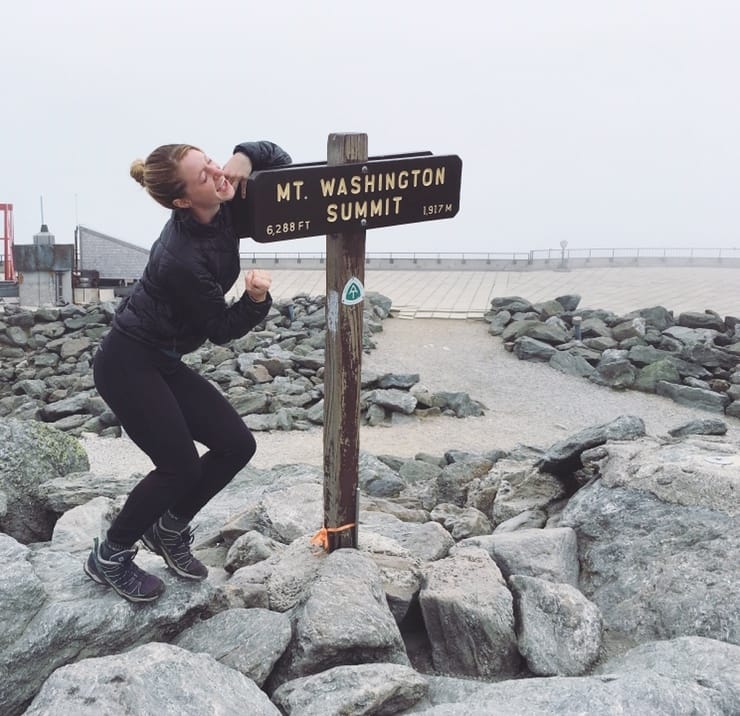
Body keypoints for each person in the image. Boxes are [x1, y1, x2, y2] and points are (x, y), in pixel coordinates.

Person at [84, 139, 291, 603]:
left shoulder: (226, 199)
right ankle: (111, 554)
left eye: (211, 161)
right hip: (127, 362)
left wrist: (246, 157)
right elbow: (218, 328)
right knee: (177, 466)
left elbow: (285, 167)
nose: (217, 174)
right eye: (204, 175)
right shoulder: (180, 257)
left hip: (163, 358)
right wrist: (255, 301)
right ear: (182, 201)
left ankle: (168, 528)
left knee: (237, 444)